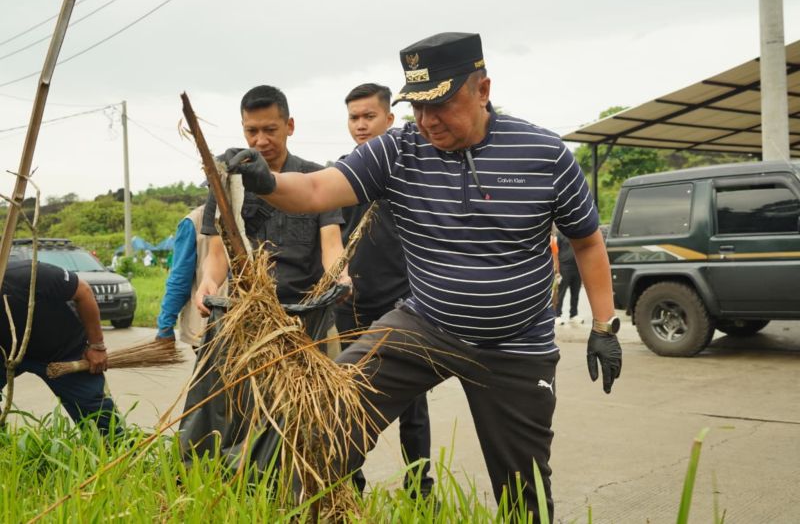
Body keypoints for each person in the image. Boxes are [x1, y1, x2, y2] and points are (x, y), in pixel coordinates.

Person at [223, 33, 622, 520]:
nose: (429, 120)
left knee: (525, 492)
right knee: (328, 412)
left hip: (515, 344)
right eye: (418, 106)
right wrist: (267, 181)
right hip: (426, 324)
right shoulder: (399, 149)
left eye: (444, 104)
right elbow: (311, 190)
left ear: (482, 90)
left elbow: (586, 241)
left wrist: (604, 325)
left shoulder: (544, 154)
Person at [194, 85, 348, 358]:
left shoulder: (316, 178)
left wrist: (340, 276)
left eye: (270, 130)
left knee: (323, 399)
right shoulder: (225, 184)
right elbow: (217, 254)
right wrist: (208, 281)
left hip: (308, 321)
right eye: (252, 131)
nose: (261, 140)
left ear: (289, 126)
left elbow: (332, 245)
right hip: (248, 322)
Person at [335, 83, 433, 495]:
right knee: (349, 398)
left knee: (412, 404)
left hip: (403, 304)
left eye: (368, 116)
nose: (360, 125)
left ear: (390, 119)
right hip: (350, 306)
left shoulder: (412, 173)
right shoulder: (340, 174)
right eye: (354, 117)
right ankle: (349, 482)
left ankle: (419, 488)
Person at [0, 260, 121, 435]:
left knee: (99, 418)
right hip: (7, 352)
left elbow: (84, 292)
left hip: (63, 350)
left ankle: (118, 454)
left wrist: (97, 346)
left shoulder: (28, 273)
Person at [155, 205, 222, 348]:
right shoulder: (193, 222)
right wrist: (166, 325)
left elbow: (180, 279)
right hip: (209, 326)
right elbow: (180, 279)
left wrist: (165, 326)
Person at [555, 229, 584, 326]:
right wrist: (557, 270)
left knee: (575, 293)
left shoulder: (578, 233)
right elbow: (555, 253)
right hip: (564, 267)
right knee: (561, 293)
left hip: (577, 267)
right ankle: (557, 315)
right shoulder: (560, 234)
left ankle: (573, 315)